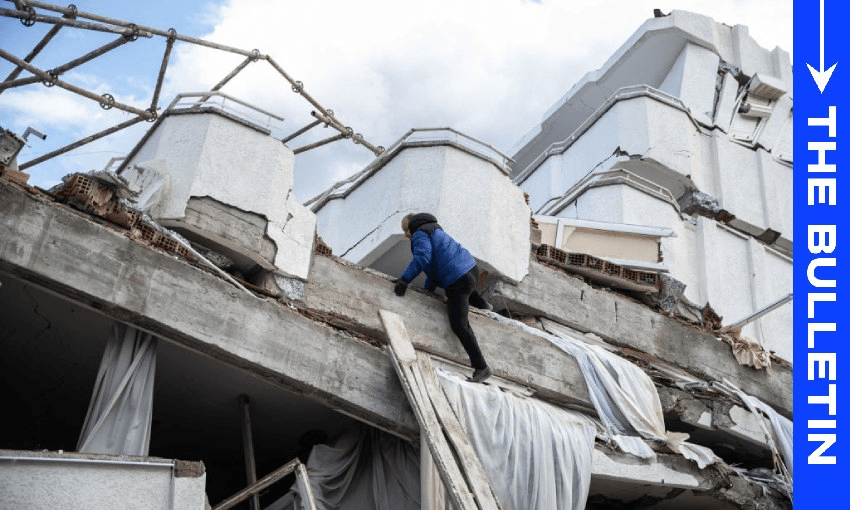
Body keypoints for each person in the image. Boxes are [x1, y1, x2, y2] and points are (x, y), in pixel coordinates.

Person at [392, 213, 492, 383]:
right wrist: (427, 293)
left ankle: (481, 367)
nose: (406, 234)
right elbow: (434, 269)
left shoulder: (419, 235)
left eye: (406, 229)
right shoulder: (433, 231)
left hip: (457, 279)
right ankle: (484, 306)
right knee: (468, 290)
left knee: (459, 325)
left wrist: (404, 280)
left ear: (413, 225)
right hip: (470, 269)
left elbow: (423, 259)